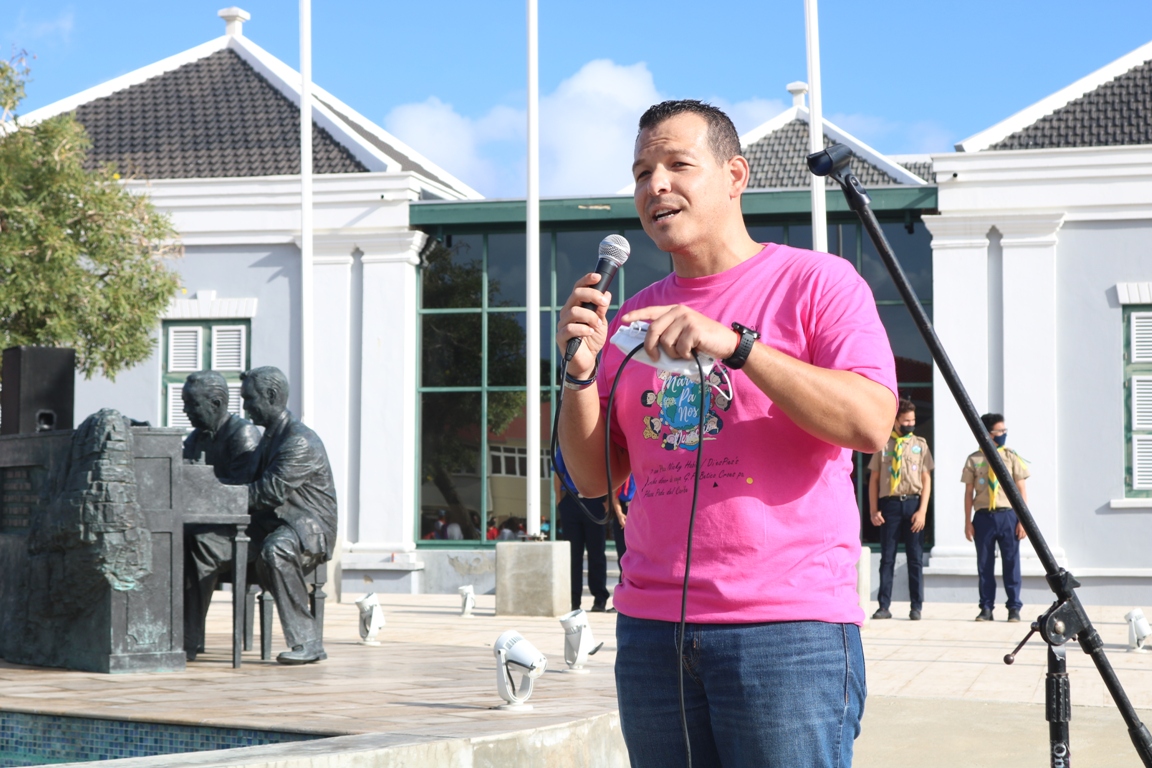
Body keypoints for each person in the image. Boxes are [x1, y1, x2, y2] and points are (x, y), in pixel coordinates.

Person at [555, 100, 896, 767]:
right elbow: (596, 479)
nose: (655, 185)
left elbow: (869, 422)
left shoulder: (815, 283)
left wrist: (740, 348)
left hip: (787, 630)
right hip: (653, 633)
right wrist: (576, 375)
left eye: (678, 164)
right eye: (642, 171)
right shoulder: (629, 319)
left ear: (735, 175)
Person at [241, 366, 338, 664]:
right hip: (275, 522)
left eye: (250, 399)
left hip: (307, 529)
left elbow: (267, 492)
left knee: (276, 551)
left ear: (271, 396)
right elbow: (247, 478)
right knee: (203, 544)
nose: (245, 408)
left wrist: (219, 498)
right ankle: (187, 638)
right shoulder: (270, 438)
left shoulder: (298, 441)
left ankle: (309, 642)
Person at [180, 371, 262, 662]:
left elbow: (242, 495)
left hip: (243, 532)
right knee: (170, 541)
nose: (185, 411)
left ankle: (187, 638)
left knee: (198, 544)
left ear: (215, 403)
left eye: (191, 404)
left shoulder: (243, 434)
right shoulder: (196, 437)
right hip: (209, 525)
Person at [868, 398, 933, 621]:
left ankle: (916, 606)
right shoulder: (883, 444)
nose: (910, 424)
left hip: (914, 504)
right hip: (890, 506)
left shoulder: (920, 444)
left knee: (915, 558)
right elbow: (874, 480)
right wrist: (874, 510)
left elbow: (926, 479)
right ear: (896, 421)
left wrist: (923, 511)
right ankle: (883, 606)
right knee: (887, 558)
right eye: (906, 420)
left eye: (913, 420)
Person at [962, 412, 1029, 622]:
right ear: (988, 433)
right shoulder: (975, 459)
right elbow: (968, 492)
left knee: (1011, 563)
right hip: (983, 517)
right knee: (984, 565)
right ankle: (986, 607)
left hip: (1007, 515)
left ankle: (1014, 608)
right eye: (999, 431)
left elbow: (1021, 490)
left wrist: (1023, 521)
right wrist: (967, 522)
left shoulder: (1011, 457)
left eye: (1004, 430)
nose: (1003, 434)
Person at [553, 446, 611, 612]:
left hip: (595, 501)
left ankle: (600, 599)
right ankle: (573, 600)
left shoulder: (600, 444)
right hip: (571, 501)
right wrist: (559, 501)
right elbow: (558, 473)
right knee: (572, 554)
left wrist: (608, 500)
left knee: (597, 553)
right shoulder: (565, 445)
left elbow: (612, 471)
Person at [609, 475, 635, 582]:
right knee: (622, 554)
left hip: (638, 510)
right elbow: (614, 492)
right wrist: (619, 514)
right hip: (622, 511)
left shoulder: (641, 469)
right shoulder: (622, 471)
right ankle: (624, 584)